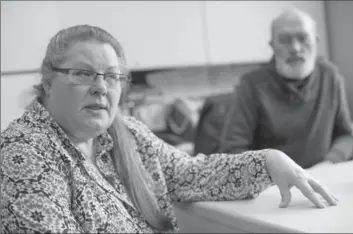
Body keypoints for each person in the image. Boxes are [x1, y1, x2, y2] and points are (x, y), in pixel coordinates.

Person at [0, 25, 338, 233]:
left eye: (113, 76)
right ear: (47, 82)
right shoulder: (24, 153)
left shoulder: (127, 133)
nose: (101, 88)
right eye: (83, 73)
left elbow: (192, 174)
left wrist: (268, 160)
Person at [219, 8, 353, 169]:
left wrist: (329, 162)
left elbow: (346, 134)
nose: (295, 48)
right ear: (273, 46)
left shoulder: (330, 76)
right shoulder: (250, 85)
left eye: (303, 38)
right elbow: (231, 151)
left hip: (321, 176)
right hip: (272, 185)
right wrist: (271, 171)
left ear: (316, 42)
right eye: (284, 39)